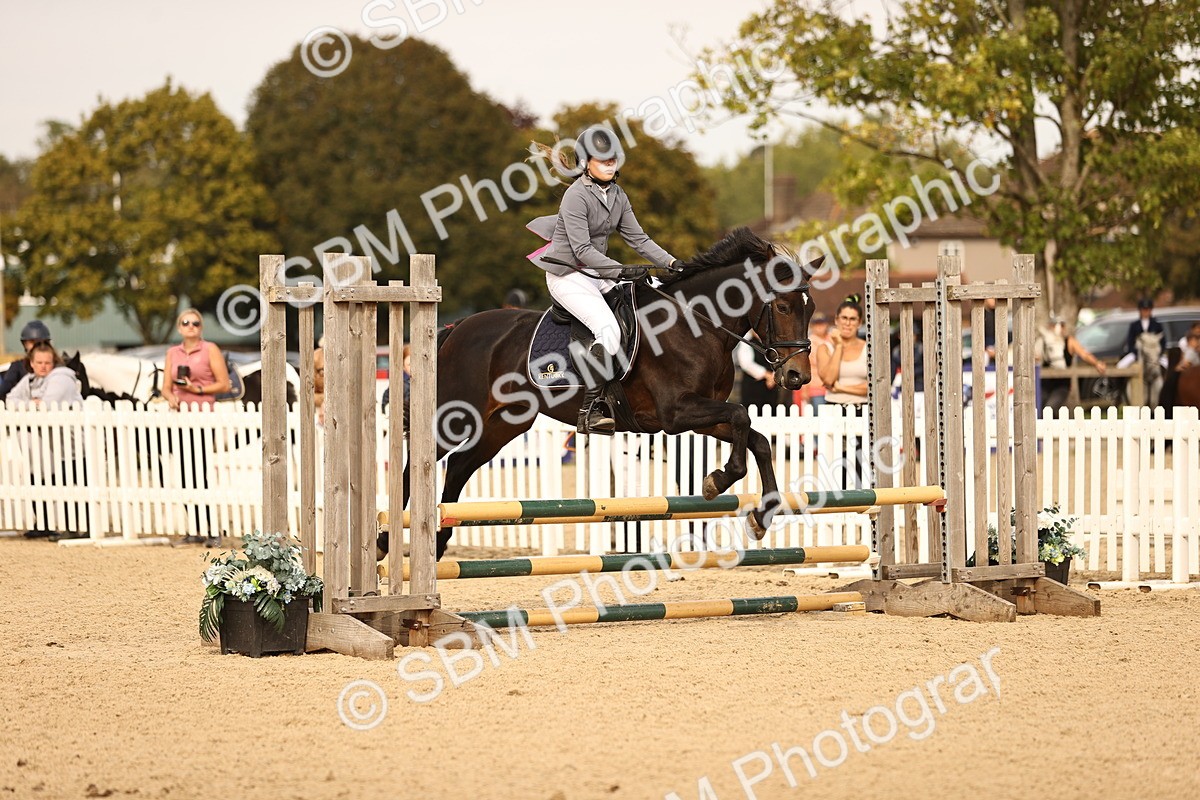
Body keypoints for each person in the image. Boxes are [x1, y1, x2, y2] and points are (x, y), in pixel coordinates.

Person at [528, 125, 678, 434]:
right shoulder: (576, 196)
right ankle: (591, 408)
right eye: (603, 160)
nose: (610, 165)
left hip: (595, 273)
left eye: (613, 159)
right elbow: (582, 249)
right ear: (585, 162)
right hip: (567, 274)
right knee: (608, 330)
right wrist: (621, 271)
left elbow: (640, 240)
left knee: (654, 298)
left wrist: (673, 263)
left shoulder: (618, 195)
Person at [161, 310, 231, 545]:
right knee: (183, 473)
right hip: (180, 417)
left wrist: (197, 390)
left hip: (202, 415)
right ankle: (195, 528)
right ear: (179, 327)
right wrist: (170, 396)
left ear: (201, 327)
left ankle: (212, 529)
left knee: (200, 472)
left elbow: (223, 383)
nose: (190, 326)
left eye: (195, 323)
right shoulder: (172, 352)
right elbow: (165, 387)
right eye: (185, 323)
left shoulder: (210, 349)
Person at [8, 342, 85, 539]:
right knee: (50, 483)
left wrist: (29, 405)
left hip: (74, 446)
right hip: (52, 447)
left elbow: (46, 406)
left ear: (54, 362)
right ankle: (49, 524)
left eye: (47, 362)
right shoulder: (30, 380)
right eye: (39, 362)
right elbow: (10, 400)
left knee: (74, 488)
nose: (43, 366)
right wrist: (30, 404)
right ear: (31, 363)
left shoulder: (62, 379)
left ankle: (78, 529)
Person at [815, 296, 869, 487]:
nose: (848, 323)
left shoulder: (868, 348)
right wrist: (838, 346)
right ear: (836, 320)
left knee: (862, 462)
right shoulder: (825, 348)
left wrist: (842, 387)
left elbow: (872, 387)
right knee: (837, 460)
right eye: (844, 318)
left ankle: (862, 501)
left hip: (862, 410)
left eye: (853, 319)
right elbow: (828, 379)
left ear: (859, 322)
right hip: (835, 409)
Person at [1037, 315, 1107, 413]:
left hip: (1061, 385)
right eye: (1056, 325)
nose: (1059, 329)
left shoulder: (1069, 341)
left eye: (1061, 326)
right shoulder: (1043, 341)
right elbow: (1035, 357)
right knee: (1038, 407)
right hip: (1044, 384)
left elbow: (1084, 354)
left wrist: (1096, 363)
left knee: (1050, 407)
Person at [0, 320, 54, 402]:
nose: (36, 345)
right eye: (32, 342)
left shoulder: (56, 365)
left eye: (39, 342)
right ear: (25, 344)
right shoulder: (17, 366)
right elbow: (4, 391)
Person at [796, 311, 832, 412]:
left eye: (822, 323)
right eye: (817, 324)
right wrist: (805, 389)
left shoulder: (833, 339)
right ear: (812, 326)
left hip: (834, 388)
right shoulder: (809, 343)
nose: (820, 327)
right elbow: (805, 367)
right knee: (820, 417)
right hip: (816, 388)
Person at [733, 332, 779, 411]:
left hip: (771, 387)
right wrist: (766, 374)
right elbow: (746, 364)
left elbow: (778, 360)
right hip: (752, 387)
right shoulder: (747, 342)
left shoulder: (772, 344)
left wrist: (774, 376)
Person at [1121, 298, 1164, 363]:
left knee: (1166, 364)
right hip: (1138, 353)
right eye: (1143, 310)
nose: (1145, 312)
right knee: (1122, 364)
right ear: (1140, 310)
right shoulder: (1134, 325)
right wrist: (1134, 353)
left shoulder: (1157, 325)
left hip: (1154, 353)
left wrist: (1159, 353)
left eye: (1147, 310)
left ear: (1150, 310)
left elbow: (1162, 341)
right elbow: (1130, 341)